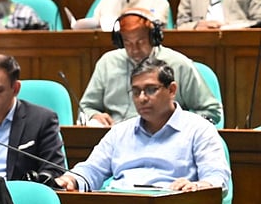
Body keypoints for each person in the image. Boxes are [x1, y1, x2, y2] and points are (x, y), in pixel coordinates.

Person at [57, 59, 229, 192]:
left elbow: (216, 177)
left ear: (172, 90)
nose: (142, 98)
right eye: (136, 91)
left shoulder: (199, 129)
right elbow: (92, 168)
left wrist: (197, 187)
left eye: (151, 89)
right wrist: (71, 180)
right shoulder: (120, 132)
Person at [79, 9, 221, 127]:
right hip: (117, 140)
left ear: (154, 38)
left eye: (141, 42)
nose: (134, 50)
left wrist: (178, 124)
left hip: (168, 140)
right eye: (128, 43)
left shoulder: (179, 64)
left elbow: (211, 111)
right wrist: (94, 115)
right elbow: (86, 107)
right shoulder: (107, 63)